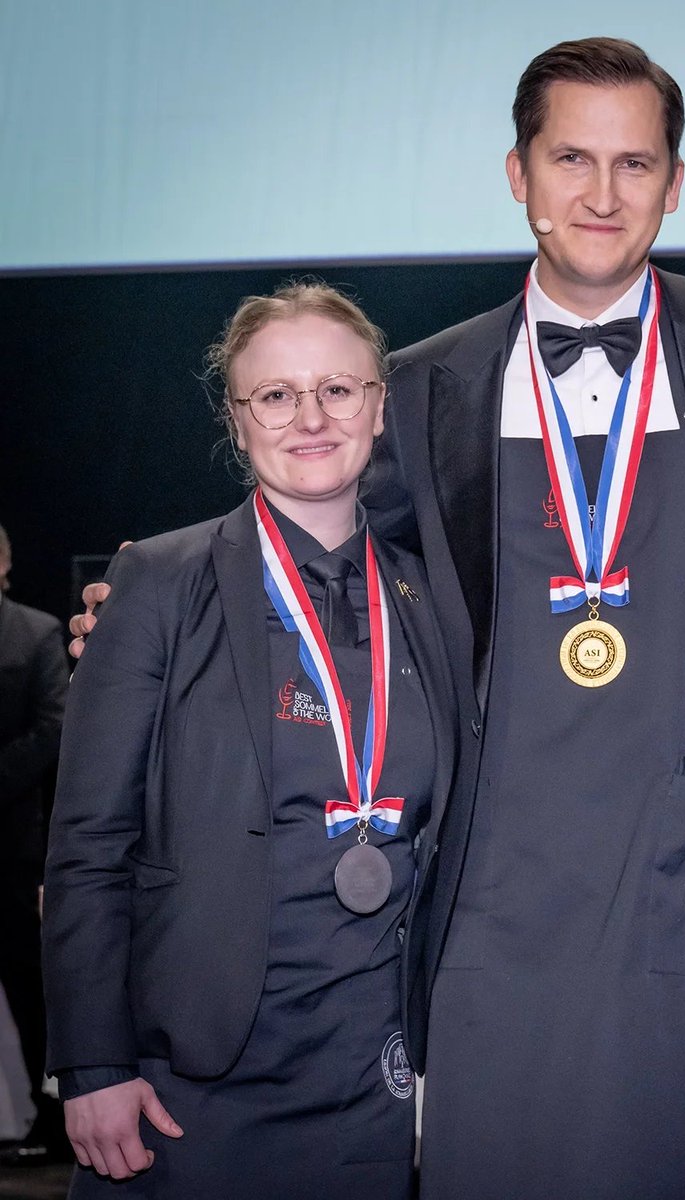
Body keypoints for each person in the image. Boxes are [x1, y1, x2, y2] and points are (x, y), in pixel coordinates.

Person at [368, 37, 685, 1200]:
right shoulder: (421, 389)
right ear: (517, 173)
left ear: (677, 184)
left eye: (635, 164)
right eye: (569, 157)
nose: (601, 194)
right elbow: (346, 584)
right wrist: (164, 601)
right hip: (504, 903)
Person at [43, 283, 456, 1197]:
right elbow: (88, 846)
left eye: (338, 390)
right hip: (189, 1078)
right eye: (275, 395)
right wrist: (92, 1064)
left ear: (378, 407)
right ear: (237, 422)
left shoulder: (435, 602)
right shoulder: (157, 582)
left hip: (377, 1068)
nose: (310, 417)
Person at [0, 523, 70, 1166]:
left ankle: (56, 1117)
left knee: (31, 986)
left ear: (6, 559)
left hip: (13, 849)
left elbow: (54, 728)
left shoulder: (36, 631)